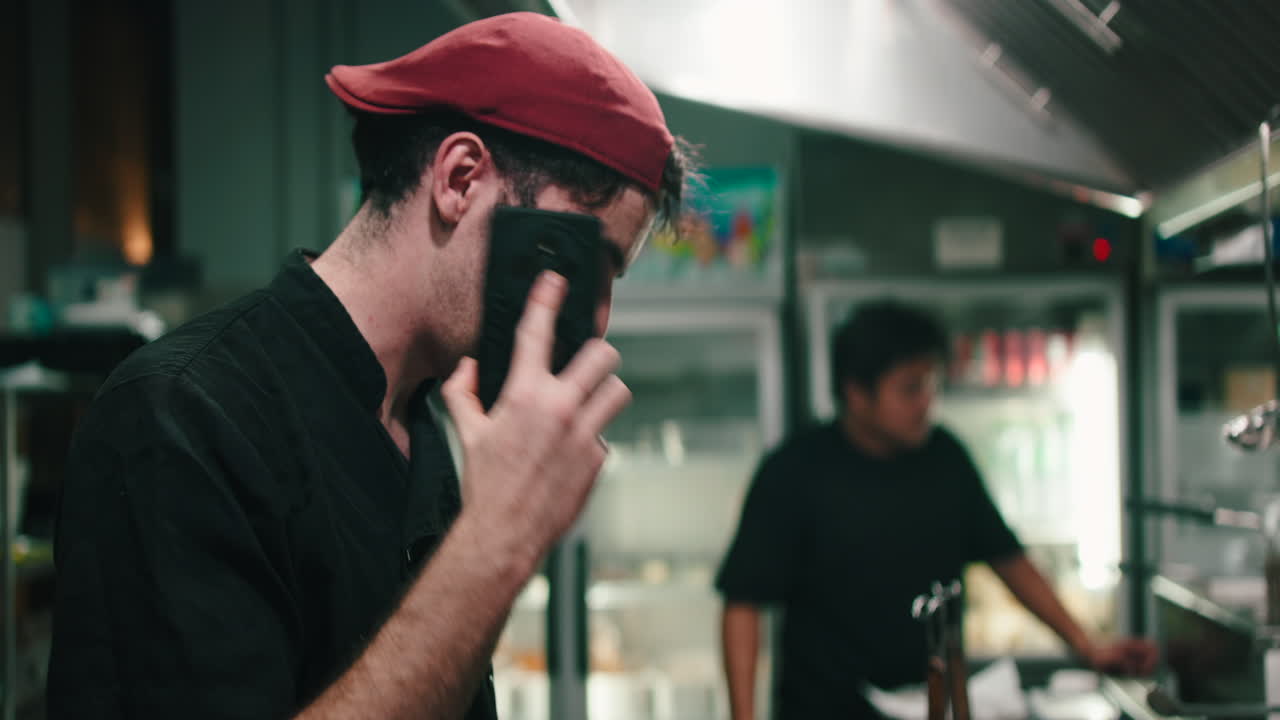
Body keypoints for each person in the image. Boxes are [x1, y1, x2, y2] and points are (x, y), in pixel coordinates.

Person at [48, 12, 692, 719]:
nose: (597, 318)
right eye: (586, 258)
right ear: (460, 178)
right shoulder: (180, 416)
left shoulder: (422, 428)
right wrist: (496, 544)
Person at [716, 299, 1157, 720]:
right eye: (910, 389)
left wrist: (1087, 646)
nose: (927, 401)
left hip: (934, 705)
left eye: (931, 384)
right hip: (823, 709)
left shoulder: (945, 457)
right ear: (856, 393)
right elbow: (743, 604)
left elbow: (1009, 560)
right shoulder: (794, 472)